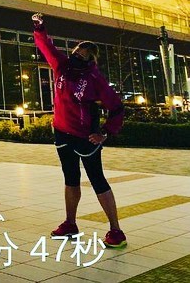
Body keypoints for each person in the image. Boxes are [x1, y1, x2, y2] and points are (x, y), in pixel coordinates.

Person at [32, 13, 126, 248]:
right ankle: (70, 223)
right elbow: (47, 48)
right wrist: (39, 28)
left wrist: (105, 132)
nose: (76, 58)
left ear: (90, 60)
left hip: (86, 137)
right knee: (70, 178)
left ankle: (116, 230)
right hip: (62, 132)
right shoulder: (62, 66)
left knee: (97, 180)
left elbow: (116, 107)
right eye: (75, 53)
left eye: (82, 56)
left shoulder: (95, 78)